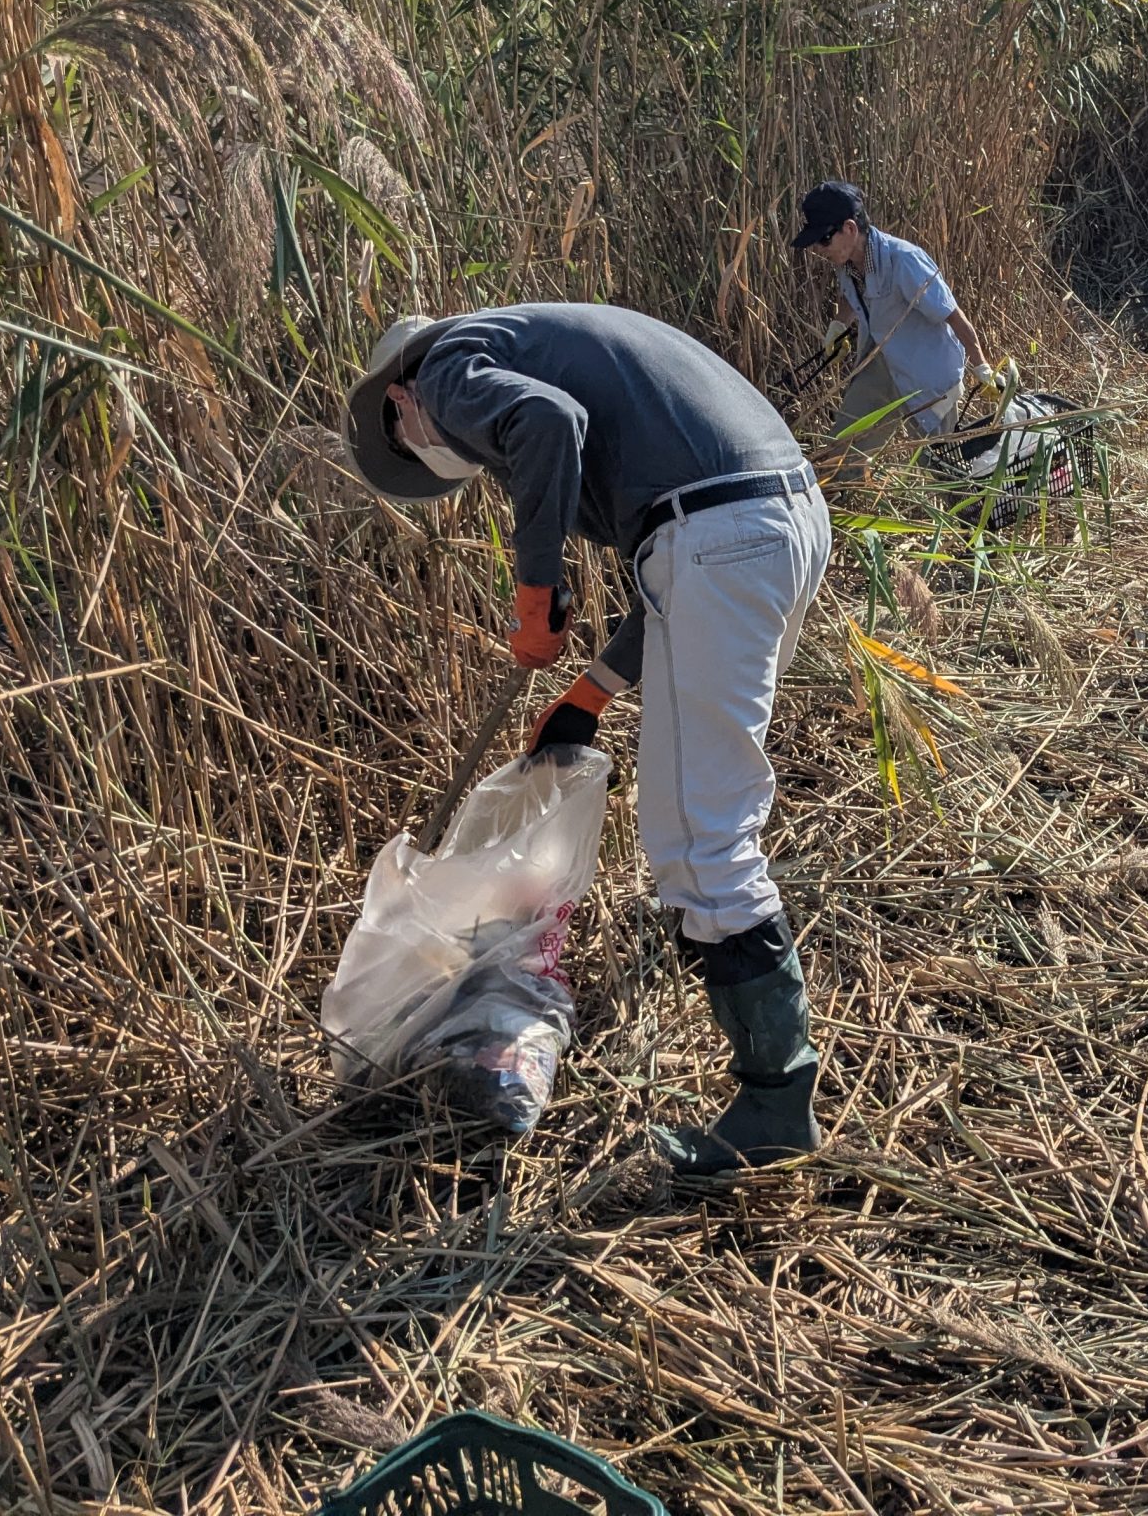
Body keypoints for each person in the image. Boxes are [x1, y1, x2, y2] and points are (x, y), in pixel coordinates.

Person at [345, 303, 833, 1175]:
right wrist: (588, 693)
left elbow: (548, 423)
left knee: (702, 841)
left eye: (408, 442)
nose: (429, 452)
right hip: (783, 520)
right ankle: (772, 1092)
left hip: (725, 537)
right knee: (704, 827)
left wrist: (536, 592)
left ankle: (774, 1108)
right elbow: (679, 557)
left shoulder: (444, 366)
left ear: (398, 399)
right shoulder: (537, 340)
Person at [793, 180, 997, 464]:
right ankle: (845, 485)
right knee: (843, 453)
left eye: (824, 239)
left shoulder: (905, 261)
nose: (818, 248)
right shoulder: (845, 263)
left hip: (927, 373)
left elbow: (953, 315)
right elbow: (850, 296)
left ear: (849, 229)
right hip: (880, 362)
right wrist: (838, 326)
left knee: (939, 465)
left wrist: (982, 366)